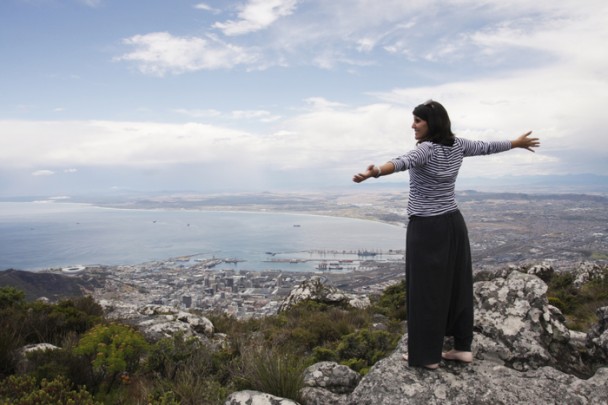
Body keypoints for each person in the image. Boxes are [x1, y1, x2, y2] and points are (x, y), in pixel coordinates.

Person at [352, 100, 540, 370]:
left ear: (432, 123)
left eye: (417, 120)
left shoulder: (426, 150)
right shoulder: (459, 145)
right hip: (453, 224)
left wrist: (376, 172)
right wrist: (516, 143)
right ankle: (462, 347)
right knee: (457, 285)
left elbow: (403, 161)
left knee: (425, 291)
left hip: (427, 227)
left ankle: (427, 356)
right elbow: (487, 147)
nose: (413, 125)